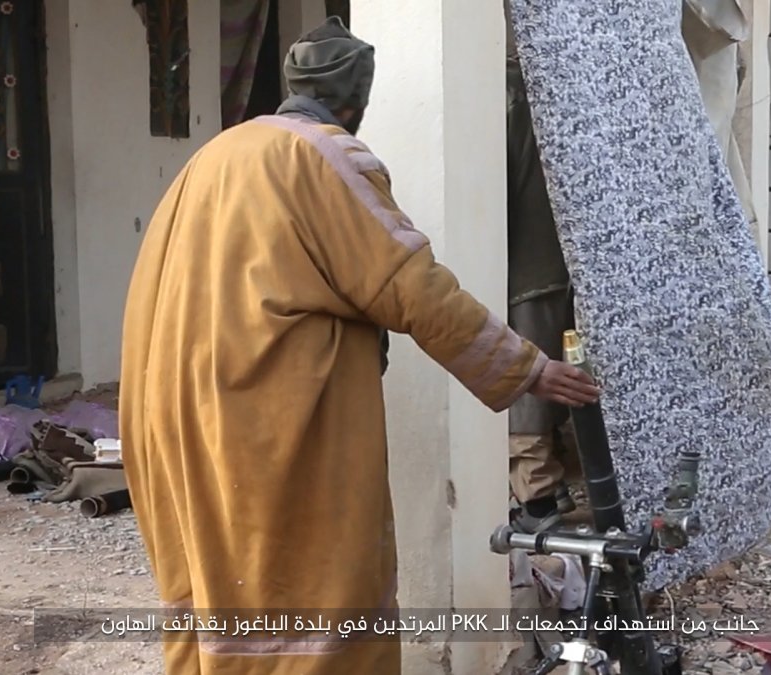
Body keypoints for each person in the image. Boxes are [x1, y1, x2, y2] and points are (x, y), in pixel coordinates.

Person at [118, 16, 599, 675]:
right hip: (263, 411)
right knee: (312, 580)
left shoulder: (213, 156)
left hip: (169, 402)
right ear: (355, 101)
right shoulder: (327, 155)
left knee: (218, 574)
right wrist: (527, 367)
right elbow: (411, 283)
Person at [505, 48, 584, 534]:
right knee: (559, 372)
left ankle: (536, 498)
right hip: (566, 262)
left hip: (525, 266)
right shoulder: (564, 82)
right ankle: (551, 487)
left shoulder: (509, 91)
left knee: (528, 382)